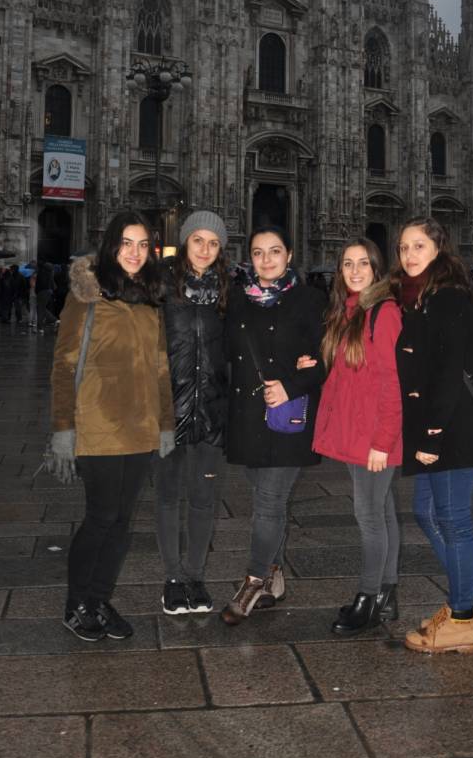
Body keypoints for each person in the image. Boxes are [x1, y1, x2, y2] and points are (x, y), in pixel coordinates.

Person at [49, 210, 175, 643]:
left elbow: (160, 367)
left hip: (140, 427)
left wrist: (165, 423)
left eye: (142, 245)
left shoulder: (151, 298)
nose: (135, 253)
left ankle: (99, 600)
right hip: (98, 424)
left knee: (122, 521)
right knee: (101, 517)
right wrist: (63, 427)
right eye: (126, 243)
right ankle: (76, 604)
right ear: (111, 246)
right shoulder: (87, 295)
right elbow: (64, 365)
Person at [395, 217, 473, 655]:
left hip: (450, 428)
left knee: (451, 519)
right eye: (403, 247)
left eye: (418, 246)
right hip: (439, 425)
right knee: (427, 513)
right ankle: (472, 604)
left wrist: (432, 435)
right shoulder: (426, 296)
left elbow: (450, 373)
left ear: (439, 249)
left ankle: (461, 619)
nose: (409, 255)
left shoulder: (447, 297)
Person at [221, 225, 326, 625]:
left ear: (289, 255)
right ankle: (275, 577)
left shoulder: (310, 300)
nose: (266, 260)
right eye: (258, 252)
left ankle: (252, 581)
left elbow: (327, 358)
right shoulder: (236, 299)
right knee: (268, 500)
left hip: (288, 417)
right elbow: (227, 351)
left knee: (268, 502)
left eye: (275, 251)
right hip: (248, 416)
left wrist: (292, 383)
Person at [312, 238, 403, 635]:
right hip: (358, 429)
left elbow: (392, 383)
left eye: (363, 263)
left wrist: (382, 442)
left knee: (368, 515)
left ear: (377, 269)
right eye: (347, 263)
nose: (354, 271)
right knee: (383, 511)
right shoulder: (350, 310)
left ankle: (367, 598)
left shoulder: (384, 313)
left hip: (374, 435)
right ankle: (387, 594)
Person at [156, 211, 230, 616]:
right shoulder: (160, 286)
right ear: (185, 241)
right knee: (168, 497)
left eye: (213, 243)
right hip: (168, 410)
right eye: (198, 240)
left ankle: (196, 577)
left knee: (203, 499)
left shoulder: (228, 291)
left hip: (212, 412)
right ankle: (172, 579)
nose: (205, 249)